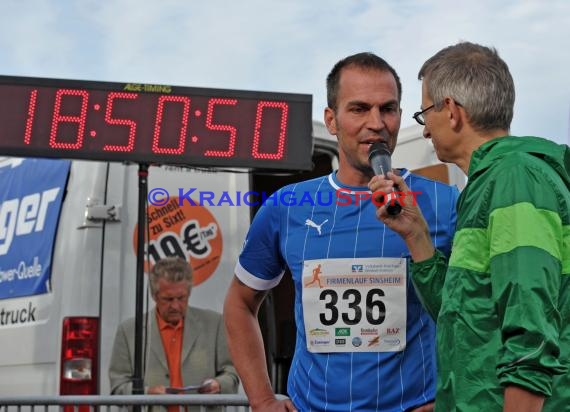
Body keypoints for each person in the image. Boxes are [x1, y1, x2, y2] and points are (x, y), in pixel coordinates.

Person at [223, 52, 459, 412]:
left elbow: (478, 314)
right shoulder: (287, 206)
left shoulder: (445, 203)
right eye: (359, 109)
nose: (376, 123)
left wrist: (451, 397)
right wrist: (261, 398)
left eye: (389, 108)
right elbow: (240, 303)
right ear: (331, 120)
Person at [370, 41, 570, 411]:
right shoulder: (490, 185)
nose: (425, 130)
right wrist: (416, 234)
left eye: (424, 113)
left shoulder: (515, 180)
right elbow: (464, 316)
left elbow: (531, 327)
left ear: (451, 111)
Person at [109, 257, 239, 407]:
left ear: (189, 293)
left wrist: (218, 385)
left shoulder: (214, 323)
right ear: (154, 296)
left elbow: (232, 372)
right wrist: (147, 393)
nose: (176, 306)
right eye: (168, 299)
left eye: (181, 298)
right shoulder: (129, 331)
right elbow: (118, 386)